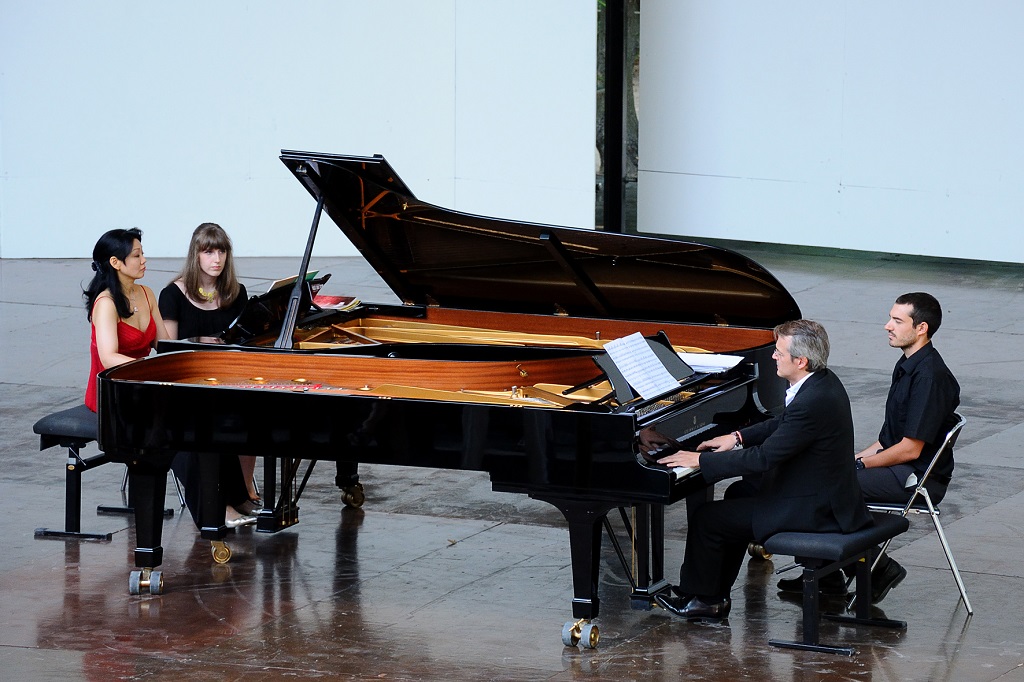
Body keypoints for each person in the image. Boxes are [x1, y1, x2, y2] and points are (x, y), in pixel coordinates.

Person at [642, 319, 872, 621]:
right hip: (820, 492)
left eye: (779, 352)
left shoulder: (812, 401)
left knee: (709, 519)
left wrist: (699, 461)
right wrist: (738, 436)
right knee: (738, 492)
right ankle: (709, 591)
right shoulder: (822, 382)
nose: (773, 357)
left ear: (800, 361)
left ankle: (707, 600)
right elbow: (782, 424)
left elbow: (763, 459)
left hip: (815, 508)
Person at [779, 292, 961, 602]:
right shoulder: (907, 365)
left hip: (916, 476)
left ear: (922, 329)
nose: (887, 326)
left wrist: (859, 466)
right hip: (899, 464)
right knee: (822, 475)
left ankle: (874, 569)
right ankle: (836, 575)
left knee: (821, 486)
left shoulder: (929, 376)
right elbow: (887, 439)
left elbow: (910, 449)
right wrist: (850, 458)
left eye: (897, 320)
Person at [158, 222, 258, 528]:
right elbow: (168, 353)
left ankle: (245, 490)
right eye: (209, 251)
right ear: (196, 255)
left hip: (226, 379)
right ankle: (221, 504)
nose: (217, 258)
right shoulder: (172, 295)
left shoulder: (237, 293)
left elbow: (245, 344)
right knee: (213, 421)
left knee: (257, 411)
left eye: (222, 251)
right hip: (188, 386)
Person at [84, 228, 170, 411]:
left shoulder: (147, 293)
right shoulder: (106, 303)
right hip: (112, 392)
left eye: (142, 254)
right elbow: (108, 358)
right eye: (136, 256)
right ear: (115, 262)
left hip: (141, 385)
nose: (143, 260)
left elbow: (165, 345)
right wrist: (152, 369)